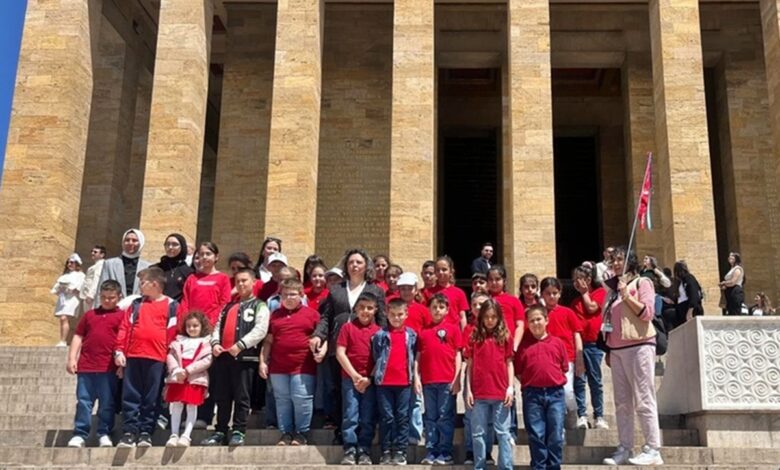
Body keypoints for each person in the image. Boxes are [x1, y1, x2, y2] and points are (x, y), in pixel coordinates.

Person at [310, 248, 386, 445]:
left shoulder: (375, 290)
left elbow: (382, 320)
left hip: (366, 349)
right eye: (351, 262)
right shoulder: (336, 290)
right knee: (336, 390)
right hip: (339, 348)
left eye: (359, 262)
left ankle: (364, 436)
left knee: (365, 394)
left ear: (366, 266)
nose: (354, 265)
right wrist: (318, 335)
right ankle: (342, 433)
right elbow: (326, 317)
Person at [601, 247, 663, 466]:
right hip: (616, 349)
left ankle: (653, 448)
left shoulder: (642, 283)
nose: (617, 263)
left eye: (620, 259)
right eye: (613, 260)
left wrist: (627, 296)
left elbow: (647, 313)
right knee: (622, 402)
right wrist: (608, 349)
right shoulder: (613, 290)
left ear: (630, 261)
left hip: (639, 345)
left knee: (644, 397)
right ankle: (625, 447)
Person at [203, 268, 269, 447]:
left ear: (254, 282)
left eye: (244, 280)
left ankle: (239, 430)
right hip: (224, 358)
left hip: (245, 358)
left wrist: (241, 345)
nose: (240, 284)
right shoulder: (228, 306)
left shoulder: (260, 305)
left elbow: (261, 329)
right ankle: (220, 430)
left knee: (242, 396)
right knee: (222, 396)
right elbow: (218, 326)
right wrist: (215, 343)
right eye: (238, 281)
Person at [114, 267, 179, 448]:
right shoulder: (136, 304)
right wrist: (119, 350)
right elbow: (125, 328)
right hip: (133, 355)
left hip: (157, 358)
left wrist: (170, 358)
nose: (140, 286)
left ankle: (145, 432)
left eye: (143, 283)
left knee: (152, 396)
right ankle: (129, 432)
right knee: (130, 395)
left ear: (155, 284)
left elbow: (173, 332)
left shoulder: (171, 305)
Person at [259, 278, 322, 445]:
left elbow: (322, 337)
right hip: (278, 367)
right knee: (282, 400)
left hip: (303, 366)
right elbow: (268, 341)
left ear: (301, 295)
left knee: (302, 399)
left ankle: (301, 433)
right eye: (285, 294)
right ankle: (285, 433)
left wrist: (321, 351)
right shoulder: (275, 315)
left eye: (293, 294)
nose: (288, 298)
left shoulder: (312, 315)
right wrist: (262, 362)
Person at [66, 280, 124, 448]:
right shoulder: (89, 315)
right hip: (86, 366)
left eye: (111, 298)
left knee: (107, 403)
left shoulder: (122, 316)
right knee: (84, 401)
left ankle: (104, 432)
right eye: (104, 297)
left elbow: (124, 340)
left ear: (119, 297)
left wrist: (122, 365)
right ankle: (80, 434)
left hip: (109, 368)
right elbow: (78, 336)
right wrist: (72, 358)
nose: (107, 301)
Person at [516, 305, 568, 470]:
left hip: (555, 394)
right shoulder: (524, 346)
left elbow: (564, 366)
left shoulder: (557, 343)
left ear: (546, 320)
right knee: (536, 435)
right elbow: (519, 372)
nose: (535, 323)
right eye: (531, 321)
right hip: (532, 395)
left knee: (556, 434)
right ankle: (538, 466)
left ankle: (554, 466)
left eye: (538, 319)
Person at [464, 298, 514, 470]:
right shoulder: (474, 336)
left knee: (503, 433)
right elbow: (469, 365)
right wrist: (469, 390)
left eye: (493, 317)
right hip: (479, 393)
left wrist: (510, 388)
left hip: (500, 393)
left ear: (499, 317)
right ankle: (479, 466)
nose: (490, 320)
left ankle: (505, 467)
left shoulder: (505, 336)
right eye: (486, 317)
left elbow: (509, 363)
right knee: (478, 433)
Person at [415, 293, 462, 465]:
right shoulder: (423, 332)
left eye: (441, 307)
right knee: (430, 417)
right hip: (428, 381)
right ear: (428, 309)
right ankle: (431, 450)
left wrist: (457, 378)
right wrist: (416, 377)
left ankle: (445, 451)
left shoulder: (453, 329)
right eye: (434, 307)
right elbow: (418, 357)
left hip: (447, 381)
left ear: (447, 310)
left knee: (445, 416)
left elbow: (457, 354)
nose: (437, 310)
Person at [336, 292, 382, 465]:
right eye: (362, 308)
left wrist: (369, 378)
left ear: (375, 310)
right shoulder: (347, 328)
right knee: (351, 414)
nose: (365, 311)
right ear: (355, 309)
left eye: (370, 308)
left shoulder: (379, 332)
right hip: (350, 379)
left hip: (370, 381)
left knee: (367, 416)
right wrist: (355, 376)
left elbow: (381, 359)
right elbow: (340, 353)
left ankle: (364, 450)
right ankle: (349, 449)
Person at [371, 298, 417, 466]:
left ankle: (400, 450)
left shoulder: (411, 335)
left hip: (404, 383)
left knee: (402, 417)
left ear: (406, 314)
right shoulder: (380, 335)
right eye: (393, 315)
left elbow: (414, 356)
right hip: (384, 383)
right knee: (386, 417)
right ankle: (386, 450)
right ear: (386, 314)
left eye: (400, 314)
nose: (396, 318)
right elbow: (376, 355)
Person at [164, 311, 213, 448]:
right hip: (178, 375)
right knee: (176, 405)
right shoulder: (178, 341)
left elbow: (207, 360)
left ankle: (186, 435)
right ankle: (174, 434)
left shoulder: (206, 343)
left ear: (202, 326)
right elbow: (170, 356)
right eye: (189, 326)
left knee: (192, 405)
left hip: (195, 377)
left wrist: (188, 370)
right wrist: (176, 370)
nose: (191, 329)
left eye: (195, 326)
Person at [569, 264, 608, 430]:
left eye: (580, 279)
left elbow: (592, 308)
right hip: (578, 345)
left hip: (593, 344)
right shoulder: (574, 302)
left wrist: (585, 293)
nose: (577, 283)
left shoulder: (599, 293)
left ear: (589, 279)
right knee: (579, 381)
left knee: (595, 380)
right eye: (574, 280)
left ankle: (599, 415)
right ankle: (582, 415)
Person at [540, 277, 584, 417]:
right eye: (548, 293)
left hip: (567, 357)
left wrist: (579, 357)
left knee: (567, 389)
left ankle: (574, 413)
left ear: (560, 293)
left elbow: (577, 334)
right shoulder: (540, 315)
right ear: (542, 294)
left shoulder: (568, 312)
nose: (552, 296)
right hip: (547, 359)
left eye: (555, 293)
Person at [396, 272, 428, 445]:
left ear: (416, 290)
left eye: (410, 288)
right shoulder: (393, 308)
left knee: (415, 398)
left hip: (416, 357)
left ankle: (414, 433)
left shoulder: (422, 310)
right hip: (397, 358)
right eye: (403, 288)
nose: (406, 291)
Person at [462, 292, 494, 466]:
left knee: (488, 419)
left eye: (481, 304)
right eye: (474, 305)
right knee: (470, 416)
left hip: (492, 379)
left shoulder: (496, 329)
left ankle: (487, 451)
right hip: (473, 376)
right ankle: (470, 450)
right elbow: (465, 354)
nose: (477, 308)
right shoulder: (468, 329)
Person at [178, 242, 231, 326]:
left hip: (213, 325)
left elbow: (224, 303)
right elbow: (185, 303)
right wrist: (186, 322)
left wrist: (211, 323)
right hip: (192, 325)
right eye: (201, 254)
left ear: (216, 257)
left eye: (208, 254)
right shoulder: (192, 278)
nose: (204, 257)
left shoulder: (223, 278)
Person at [97, 229, 150, 308]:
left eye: (134, 240)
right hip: (114, 308)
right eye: (127, 240)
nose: (130, 243)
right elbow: (101, 289)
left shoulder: (148, 267)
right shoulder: (109, 264)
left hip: (139, 309)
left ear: (141, 243)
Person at [52, 253, 86, 346]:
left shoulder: (81, 275)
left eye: (72, 262)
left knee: (64, 318)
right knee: (63, 319)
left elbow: (80, 288)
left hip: (72, 298)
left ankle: (63, 340)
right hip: (63, 298)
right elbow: (55, 289)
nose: (70, 264)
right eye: (68, 262)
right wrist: (61, 288)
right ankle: (63, 340)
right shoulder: (64, 276)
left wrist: (71, 288)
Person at [430, 255, 470, 329]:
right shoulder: (429, 292)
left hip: (454, 331)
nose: (441, 272)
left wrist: (463, 334)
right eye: (438, 270)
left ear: (451, 272)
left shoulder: (459, 293)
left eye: (444, 269)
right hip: (434, 331)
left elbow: (462, 317)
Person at [152, 233, 194, 301]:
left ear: (182, 247)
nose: (170, 247)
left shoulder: (188, 272)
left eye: (175, 244)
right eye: (167, 244)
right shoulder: (155, 268)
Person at [671, 260, 703, 329]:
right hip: (682, 309)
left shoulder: (689, 278)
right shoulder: (679, 282)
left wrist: (690, 310)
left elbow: (693, 294)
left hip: (690, 309)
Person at [79, 245, 106, 309]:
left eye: (95, 252)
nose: (92, 253)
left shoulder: (101, 264)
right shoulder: (95, 265)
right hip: (87, 294)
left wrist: (91, 295)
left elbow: (97, 279)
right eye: (92, 251)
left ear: (102, 255)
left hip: (92, 296)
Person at [719, 252, 745, 316]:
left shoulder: (737, 268)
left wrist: (724, 283)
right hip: (729, 291)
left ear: (736, 259)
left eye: (732, 256)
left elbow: (733, 282)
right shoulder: (731, 269)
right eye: (729, 256)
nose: (729, 257)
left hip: (735, 291)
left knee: (735, 311)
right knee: (730, 311)